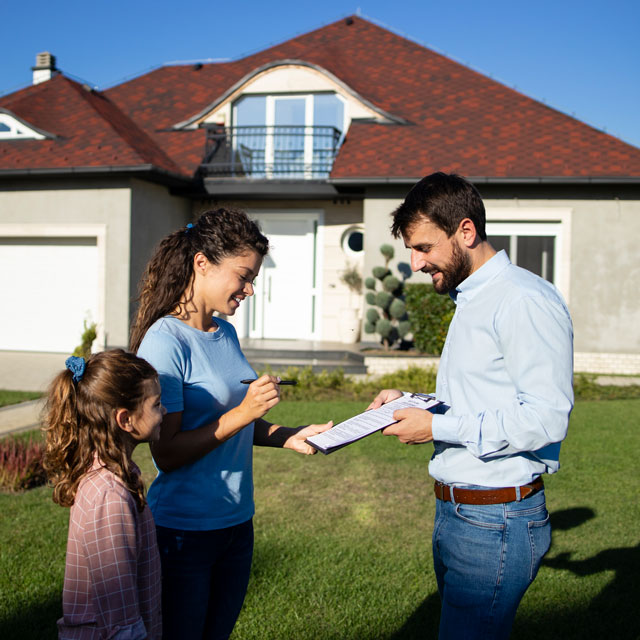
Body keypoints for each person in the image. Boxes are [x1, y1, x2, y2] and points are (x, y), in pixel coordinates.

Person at [369, 172, 574, 639]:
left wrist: (435, 429)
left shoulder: (522, 300)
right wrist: (411, 403)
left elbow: (545, 417)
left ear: (465, 231)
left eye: (424, 248)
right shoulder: (472, 297)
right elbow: (479, 396)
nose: (416, 264)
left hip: (495, 520)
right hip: (460, 514)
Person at [129, 208, 331, 640]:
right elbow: (166, 451)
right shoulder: (165, 342)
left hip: (236, 524)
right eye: (243, 276)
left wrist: (290, 437)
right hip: (185, 533)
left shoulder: (225, 333)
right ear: (202, 263)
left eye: (254, 278)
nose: (250, 289)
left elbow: (236, 427)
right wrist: (244, 411)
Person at [43, 349, 165, 640]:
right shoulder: (110, 496)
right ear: (125, 420)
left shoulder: (120, 474)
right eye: (157, 404)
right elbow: (120, 621)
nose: (165, 412)